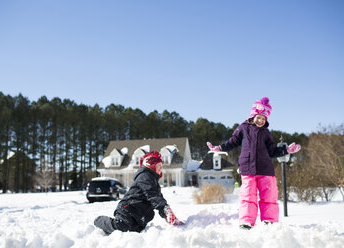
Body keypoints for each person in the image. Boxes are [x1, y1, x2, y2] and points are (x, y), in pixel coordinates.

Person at [206, 97, 301, 229]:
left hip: (266, 170)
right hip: (247, 168)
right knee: (248, 196)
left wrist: (287, 150)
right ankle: (246, 221)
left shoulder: (266, 133)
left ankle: (269, 221)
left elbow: (273, 151)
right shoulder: (243, 128)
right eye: (259, 117)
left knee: (269, 196)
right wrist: (220, 148)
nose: (261, 121)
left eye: (264, 119)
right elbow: (232, 142)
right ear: (253, 115)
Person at [94, 151, 184, 234]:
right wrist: (166, 209)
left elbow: (157, 200)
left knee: (135, 234)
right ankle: (99, 220)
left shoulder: (154, 182)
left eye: (161, 166)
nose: (161, 168)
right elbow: (153, 196)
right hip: (128, 209)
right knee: (121, 227)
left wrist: (166, 215)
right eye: (159, 165)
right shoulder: (145, 176)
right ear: (151, 165)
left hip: (139, 217)